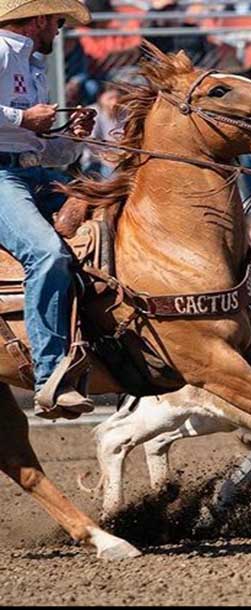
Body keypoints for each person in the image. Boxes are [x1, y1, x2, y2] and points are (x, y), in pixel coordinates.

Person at [0, 0, 97, 418]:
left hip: (33, 174)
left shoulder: (32, 67)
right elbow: (23, 127)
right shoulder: (1, 51)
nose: (59, 30)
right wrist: (23, 119)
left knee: (110, 221)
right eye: (58, 22)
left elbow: (43, 149)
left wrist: (72, 139)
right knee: (47, 253)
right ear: (39, 18)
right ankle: (50, 374)